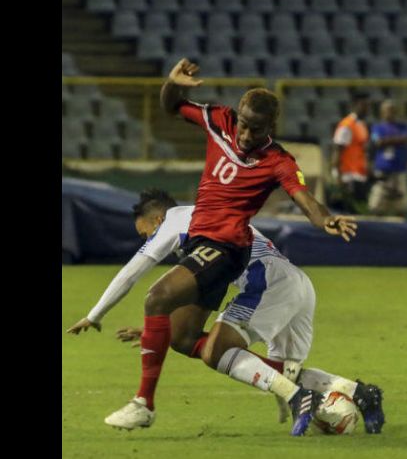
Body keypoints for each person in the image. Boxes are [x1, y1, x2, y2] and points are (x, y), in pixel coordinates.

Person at [69, 58, 359, 434]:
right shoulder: (218, 120)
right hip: (204, 248)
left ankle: (143, 404)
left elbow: (304, 198)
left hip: (227, 247)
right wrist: (173, 84)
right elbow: (171, 106)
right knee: (187, 340)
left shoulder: (277, 161)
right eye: (242, 122)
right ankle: (316, 390)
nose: (244, 133)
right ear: (236, 114)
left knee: (156, 297)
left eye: (255, 129)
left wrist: (326, 219)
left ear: (269, 128)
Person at [67, 189, 384, 434]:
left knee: (218, 352)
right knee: (277, 368)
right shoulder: (207, 222)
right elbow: (196, 304)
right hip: (296, 283)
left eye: (145, 234)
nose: (148, 240)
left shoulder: (175, 222)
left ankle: (301, 397)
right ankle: (358, 392)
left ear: (156, 220)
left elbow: (132, 272)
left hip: (267, 282)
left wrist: (94, 314)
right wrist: (155, 330)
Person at [367, 99, 407, 216]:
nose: (390, 113)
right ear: (382, 113)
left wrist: (387, 140)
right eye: (387, 111)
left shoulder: (402, 127)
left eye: (392, 110)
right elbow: (377, 141)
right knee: (377, 206)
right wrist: (396, 140)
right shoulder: (377, 128)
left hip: (399, 170)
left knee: (401, 207)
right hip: (382, 171)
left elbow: (406, 138)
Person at [330, 91, 370, 214]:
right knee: (352, 214)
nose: (367, 108)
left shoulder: (361, 125)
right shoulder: (346, 125)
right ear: (355, 105)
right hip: (348, 177)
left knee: (360, 214)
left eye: (367, 105)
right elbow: (337, 150)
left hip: (359, 176)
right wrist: (338, 175)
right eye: (364, 105)